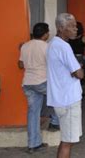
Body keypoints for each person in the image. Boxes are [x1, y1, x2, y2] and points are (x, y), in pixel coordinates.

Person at [47, 13, 84, 158]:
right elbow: (79, 73)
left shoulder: (53, 43)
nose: (76, 29)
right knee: (67, 142)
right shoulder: (64, 47)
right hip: (68, 100)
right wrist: (78, 68)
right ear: (61, 28)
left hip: (61, 98)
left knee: (67, 139)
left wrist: (75, 70)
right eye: (72, 26)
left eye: (75, 26)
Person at [18, 22, 59, 153]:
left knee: (33, 113)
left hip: (28, 83)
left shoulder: (25, 46)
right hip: (42, 81)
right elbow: (53, 65)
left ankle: (33, 144)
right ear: (45, 34)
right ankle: (55, 122)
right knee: (58, 98)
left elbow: (20, 64)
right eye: (48, 32)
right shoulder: (47, 47)